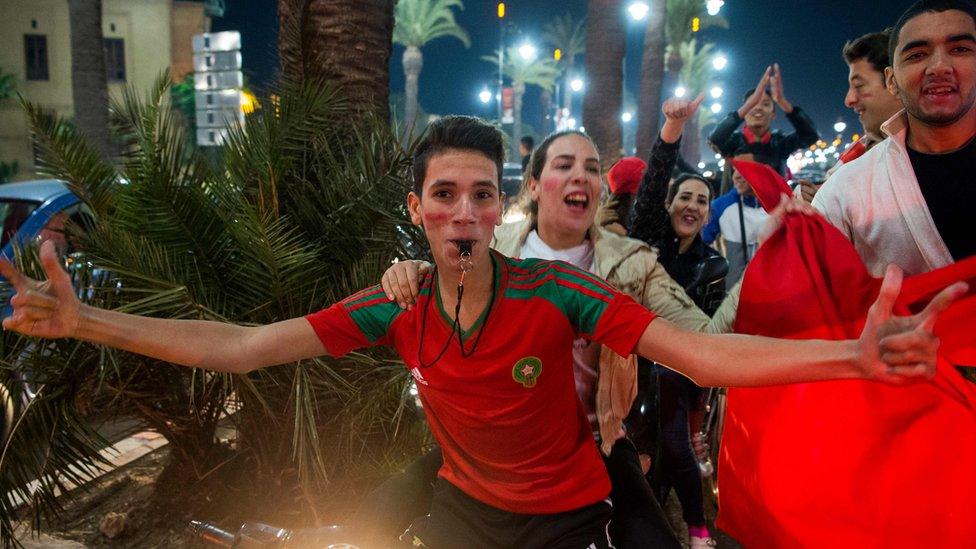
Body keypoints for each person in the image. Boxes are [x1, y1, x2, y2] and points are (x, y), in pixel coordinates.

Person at [0, 116, 959, 548]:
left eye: (481, 194)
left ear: (502, 203)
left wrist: (850, 356)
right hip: (466, 508)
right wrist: (88, 320)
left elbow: (704, 353)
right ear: (417, 209)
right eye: (444, 195)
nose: (464, 211)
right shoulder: (397, 302)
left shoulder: (559, 292)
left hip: (573, 511)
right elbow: (246, 343)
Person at [813, 0, 976, 276]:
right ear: (892, 81)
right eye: (916, 55)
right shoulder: (843, 194)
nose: (939, 66)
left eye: (960, 49)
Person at [628, 93, 726, 548]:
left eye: (701, 200)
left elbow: (710, 331)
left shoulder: (714, 266)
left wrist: (700, 405)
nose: (692, 205)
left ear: (708, 213)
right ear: (669, 205)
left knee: (674, 444)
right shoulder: (649, 239)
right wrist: (672, 129)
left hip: (677, 372)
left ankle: (697, 528)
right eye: (684, 196)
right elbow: (650, 188)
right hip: (630, 361)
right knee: (636, 453)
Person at [799, 29, 905, 202]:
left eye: (859, 85)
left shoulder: (932, 154)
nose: (849, 100)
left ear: (894, 82)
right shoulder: (856, 154)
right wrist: (820, 202)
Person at [707, 65, 820, 177]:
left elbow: (810, 136)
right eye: (752, 103)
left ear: (773, 114)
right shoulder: (734, 142)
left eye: (765, 104)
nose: (758, 107)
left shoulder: (780, 143)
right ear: (744, 113)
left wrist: (781, 101)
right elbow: (715, 139)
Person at [701, 152, 769, 289]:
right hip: (732, 298)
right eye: (734, 170)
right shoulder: (720, 206)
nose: (736, 176)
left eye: (743, 169)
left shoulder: (777, 205)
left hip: (770, 294)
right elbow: (699, 245)